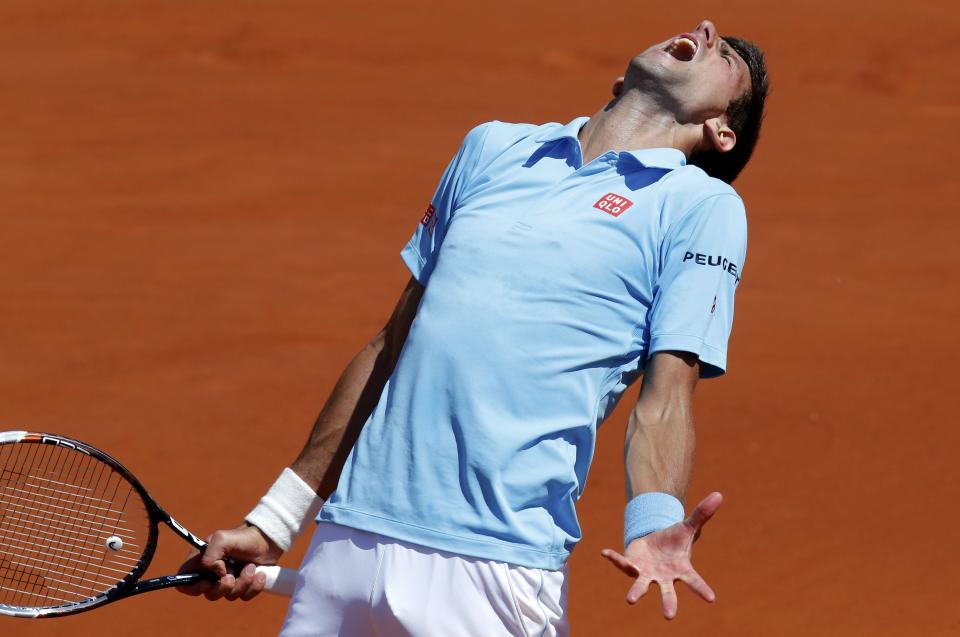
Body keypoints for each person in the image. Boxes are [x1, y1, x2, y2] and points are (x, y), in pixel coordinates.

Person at [178, 19, 769, 636]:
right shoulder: (492, 149)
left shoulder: (700, 207)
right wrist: (276, 521)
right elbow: (390, 346)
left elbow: (667, 394)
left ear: (720, 130)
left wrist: (652, 523)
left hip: (497, 561)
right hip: (349, 543)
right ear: (621, 82)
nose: (703, 29)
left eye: (724, 54)